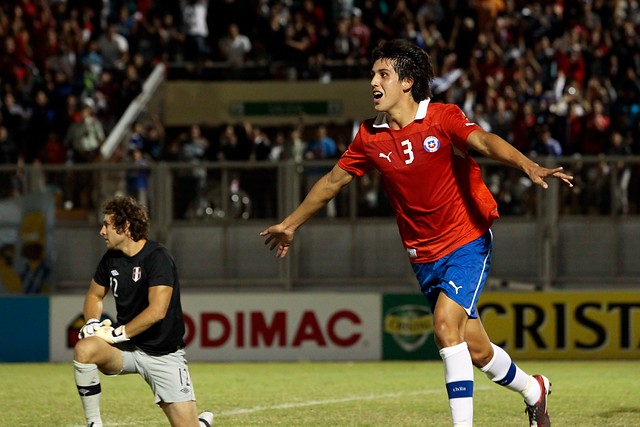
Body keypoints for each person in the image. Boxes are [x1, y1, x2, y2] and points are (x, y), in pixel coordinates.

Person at [260, 39, 574, 427]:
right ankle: (534, 390)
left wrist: (527, 164)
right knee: (475, 349)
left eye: (383, 74)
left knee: (444, 325)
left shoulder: (442, 118)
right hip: (423, 256)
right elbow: (331, 182)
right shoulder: (369, 136)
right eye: (373, 74)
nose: (373, 82)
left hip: (467, 241)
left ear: (406, 83)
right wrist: (290, 224)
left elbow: (484, 141)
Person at [73, 196, 213, 427]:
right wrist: (91, 323)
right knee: (85, 349)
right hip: (127, 348)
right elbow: (94, 296)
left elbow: (157, 311)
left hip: (163, 355)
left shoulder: (158, 257)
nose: (102, 231)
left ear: (125, 226)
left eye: (107, 224)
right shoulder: (111, 259)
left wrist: (117, 334)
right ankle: (93, 424)